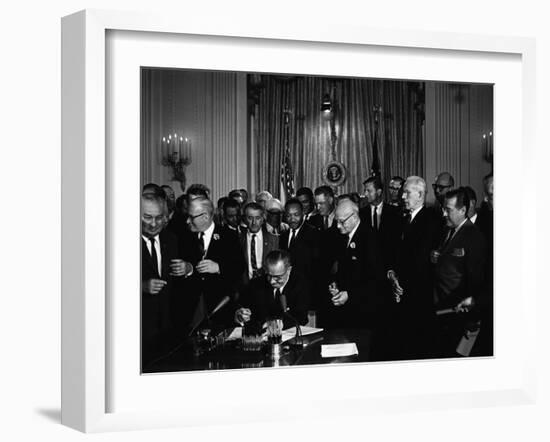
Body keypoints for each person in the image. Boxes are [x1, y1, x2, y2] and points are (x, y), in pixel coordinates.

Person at [386, 176, 440, 359]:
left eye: (407, 193)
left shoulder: (431, 220)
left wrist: (401, 286)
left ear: (420, 195)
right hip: (399, 295)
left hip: (418, 299)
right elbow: (394, 254)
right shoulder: (401, 219)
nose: (402, 197)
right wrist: (391, 274)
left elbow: (421, 262)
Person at [174, 196, 245, 335]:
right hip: (191, 311)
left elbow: (239, 267)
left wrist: (219, 268)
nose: (187, 221)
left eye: (191, 217)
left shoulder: (228, 236)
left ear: (205, 216)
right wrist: (188, 269)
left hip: (221, 309)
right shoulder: (183, 237)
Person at [432, 188, 487, 357]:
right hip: (441, 312)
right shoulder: (448, 230)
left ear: (463, 210)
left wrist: (472, 316)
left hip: (457, 316)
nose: (444, 214)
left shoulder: (474, 237)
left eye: (448, 210)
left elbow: (477, 281)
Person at [141, 194, 191, 366]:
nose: (153, 224)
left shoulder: (171, 239)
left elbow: (182, 286)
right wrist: (140, 287)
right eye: (147, 217)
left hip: (168, 327)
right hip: (139, 329)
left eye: (158, 218)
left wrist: (187, 268)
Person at [326, 199, 377, 329]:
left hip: (365, 311)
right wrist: (335, 284)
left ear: (354, 217)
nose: (338, 226)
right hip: (348, 309)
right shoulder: (343, 237)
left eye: (342, 221)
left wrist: (350, 294)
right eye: (337, 221)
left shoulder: (370, 238)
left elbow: (374, 279)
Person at [234, 250, 310, 329]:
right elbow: (241, 307)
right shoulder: (256, 284)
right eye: (269, 275)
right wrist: (240, 315)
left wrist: (279, 324)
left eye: (278, 277)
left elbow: (301, 318)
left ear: (289, 270)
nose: (272, 281)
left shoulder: (299, 284)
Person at [280, 198, 321, 287]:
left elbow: (317, 267)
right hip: (287, 288)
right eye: (288, 215)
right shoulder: (283, 236)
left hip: (307, 288)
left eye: (296, 215)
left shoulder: (314, 234)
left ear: (303, 213)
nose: (292, 219)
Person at [239, 202, 279, 286]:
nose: (254, 222)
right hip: (244, 288)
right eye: (250, 218)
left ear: (262, 219)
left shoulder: (274, 240)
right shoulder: (238, 239)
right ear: (245, 219)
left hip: (267, 287)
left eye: (257, 218)